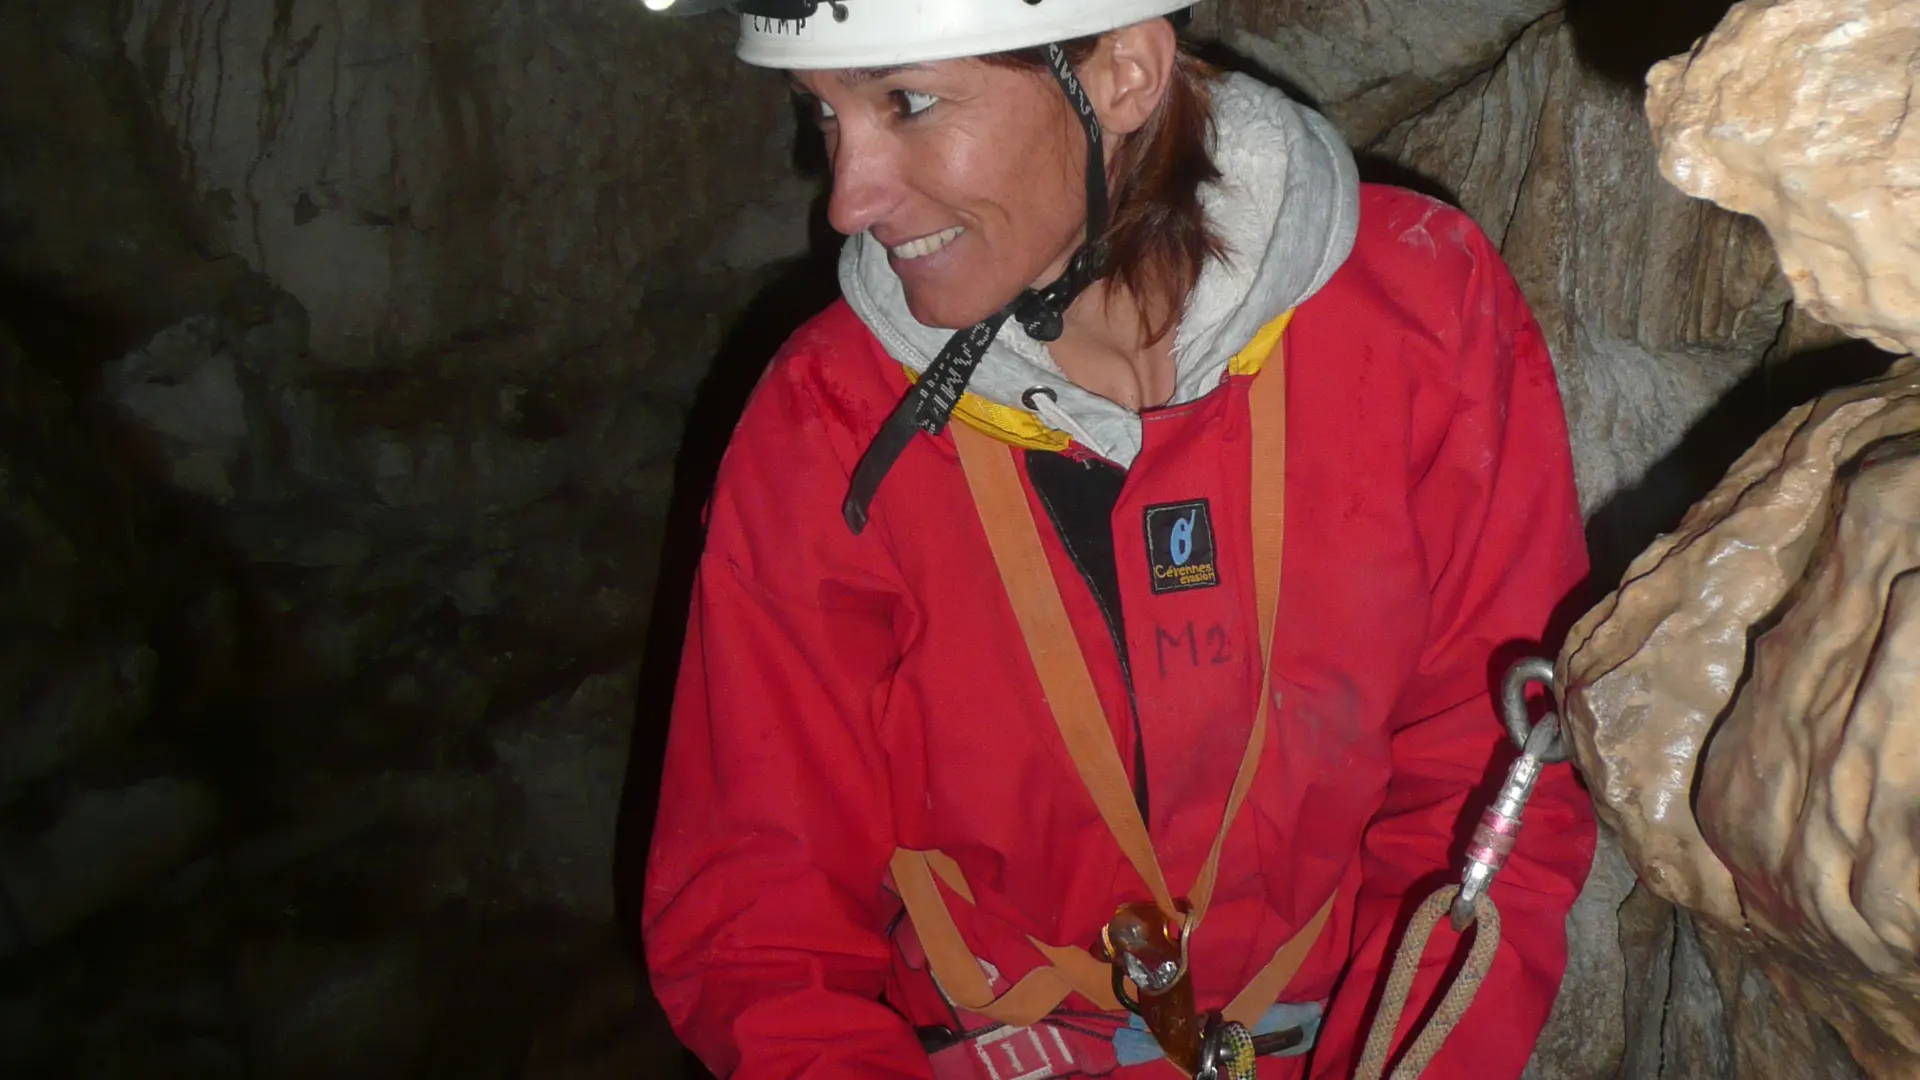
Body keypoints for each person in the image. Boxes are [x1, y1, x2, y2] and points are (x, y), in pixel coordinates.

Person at [638, 2, 1597, 1078]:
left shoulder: (1415, 311)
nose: (850, 198)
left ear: (1124, 75)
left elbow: (1492, 790)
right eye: (824, 117)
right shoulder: (830, 420)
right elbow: (758, 913)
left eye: (907, 102)